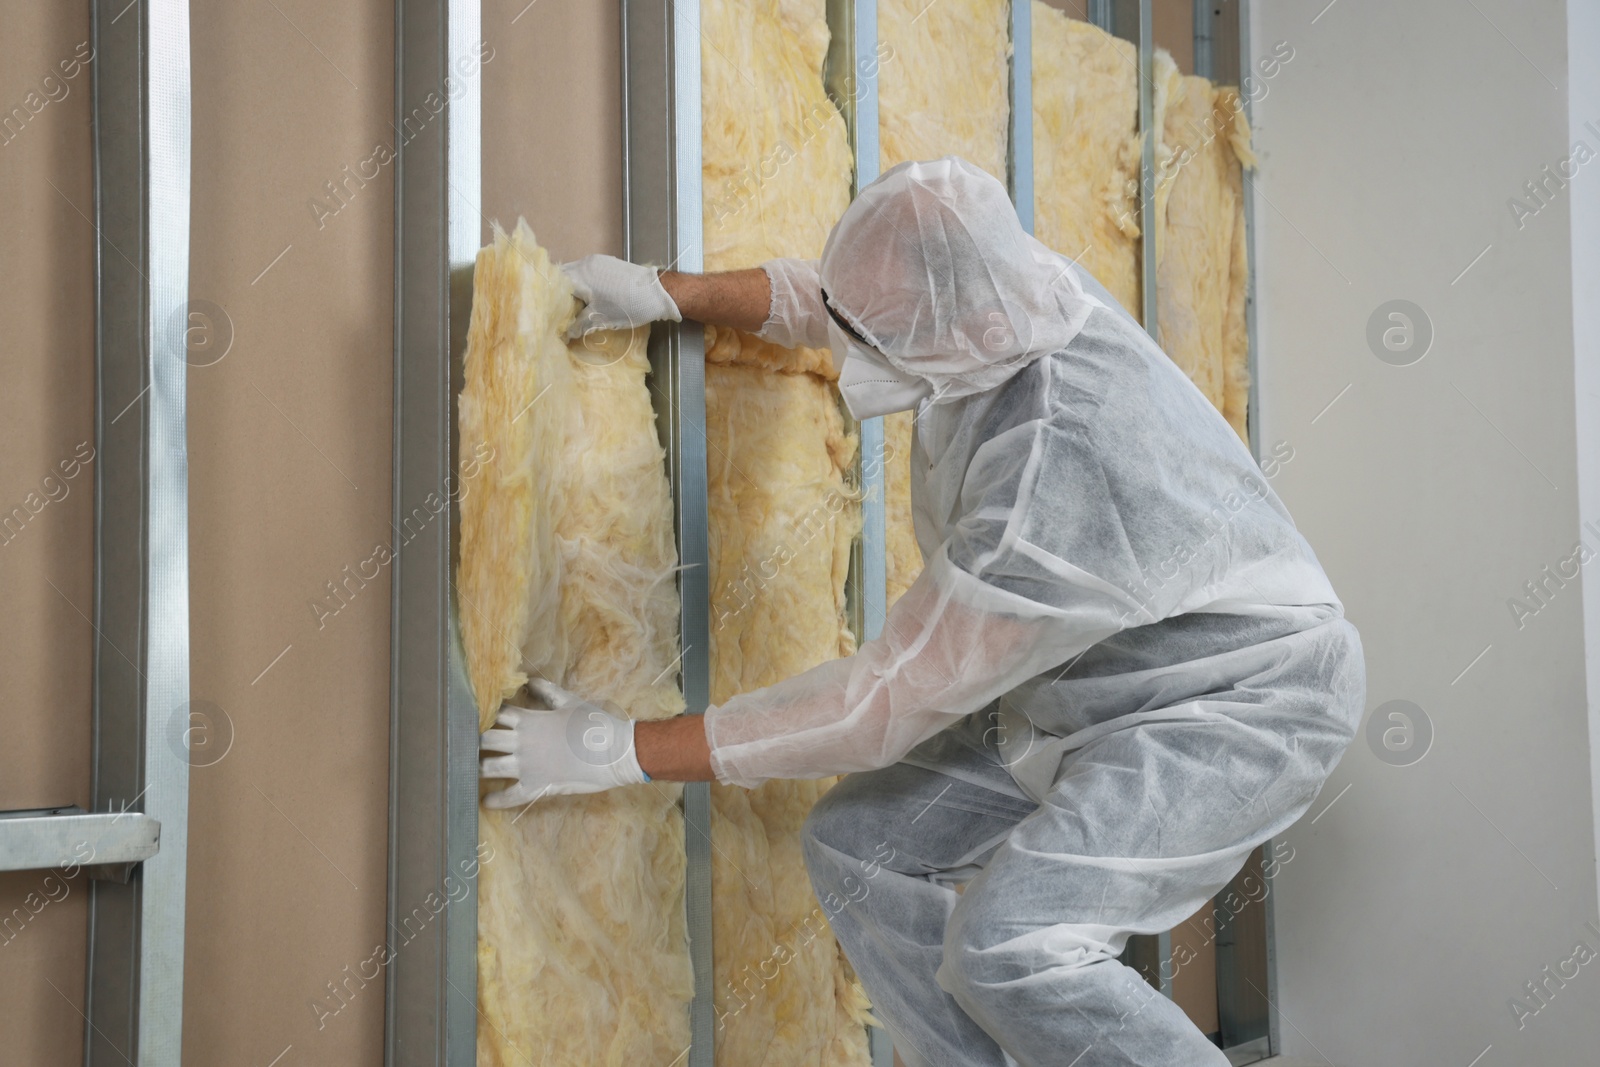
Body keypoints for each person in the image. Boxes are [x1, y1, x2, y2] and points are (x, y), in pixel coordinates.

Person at [480, 157, 1365, 1067]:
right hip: (1103, 674)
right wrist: (666, 293)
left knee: (1011, 947)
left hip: (1247, 701)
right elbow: (846, 307)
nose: (855, 348)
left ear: (963, 321)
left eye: (879, 337)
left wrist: (619, 749)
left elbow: (874, 711)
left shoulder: (1050, 481)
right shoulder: (1006, 292)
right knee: (862, 848)